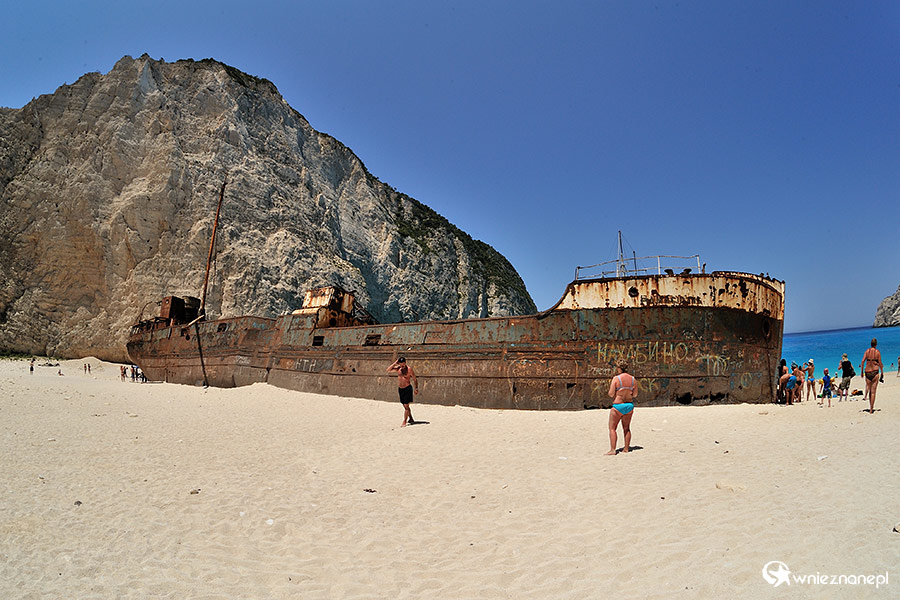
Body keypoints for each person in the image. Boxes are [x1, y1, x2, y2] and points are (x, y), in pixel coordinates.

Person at [606, 363, 638, 455]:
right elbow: (635, 395)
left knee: (612, 428)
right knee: (626, 428)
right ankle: (626, 448)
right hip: (629, 406)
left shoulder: (616, 379)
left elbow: (611, 394)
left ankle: (613, 450)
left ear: (619, 368)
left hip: (618, 406)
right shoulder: (633, 379)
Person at [387, 357, 418, 427]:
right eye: (401, 365)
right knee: (405, 406)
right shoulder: (398, 369)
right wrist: (395, 363)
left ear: (405, 363)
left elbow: (414, 379)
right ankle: (411, 418)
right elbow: (388, 370)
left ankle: (404, 421)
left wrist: (416, 388)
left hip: (407, 389)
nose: (402, 366)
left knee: (406, 406)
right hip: (401, 389)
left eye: (403, 365)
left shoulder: (409, 369)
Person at [861, 338, 883, 414]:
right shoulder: (877, 352)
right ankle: (871, 409)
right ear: (876, 344)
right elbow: (880, 363)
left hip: (867, 372)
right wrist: (882, 373)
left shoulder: (867, 351)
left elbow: (862, 361)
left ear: (871, 344)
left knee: (870, 390)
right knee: (873, 392)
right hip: (875, 371)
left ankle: (870, 407)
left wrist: (861, 372)